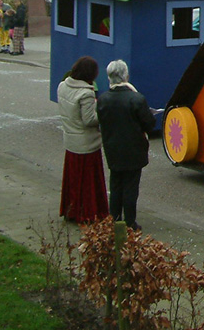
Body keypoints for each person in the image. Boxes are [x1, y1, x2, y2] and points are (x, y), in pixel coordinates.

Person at [96, 60, 154, 231]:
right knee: (131, 187)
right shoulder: (136, 99)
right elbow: (149, 124)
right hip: (134, 149)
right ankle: (130, 222)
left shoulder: (103, 99)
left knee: (115, 185)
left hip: (113, 148)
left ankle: (114, 219)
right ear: (126, 76)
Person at [57, 56, 108, 223]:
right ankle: (88, 212)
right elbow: (89, 120)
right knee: (88, 182)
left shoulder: (62, 86)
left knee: (73, 180)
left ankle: (71, 209)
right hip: (86, 143)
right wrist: (103, 112)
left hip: (70, 140)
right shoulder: (86, 93)